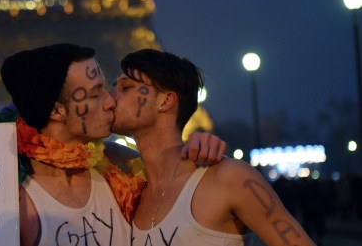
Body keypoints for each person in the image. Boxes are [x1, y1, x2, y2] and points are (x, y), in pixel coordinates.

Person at [0, 44, 226, 245]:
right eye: (95, 94)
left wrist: (197, 144)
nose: (110, 101)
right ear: (56, 110)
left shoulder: (122, 170)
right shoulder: (11, 201)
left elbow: (170, 165)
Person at [110, 49, 314, 245]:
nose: (110, 98)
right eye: (114, 87)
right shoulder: (132, 194)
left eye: (126, 88)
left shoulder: (229, 178)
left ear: (165, 101)